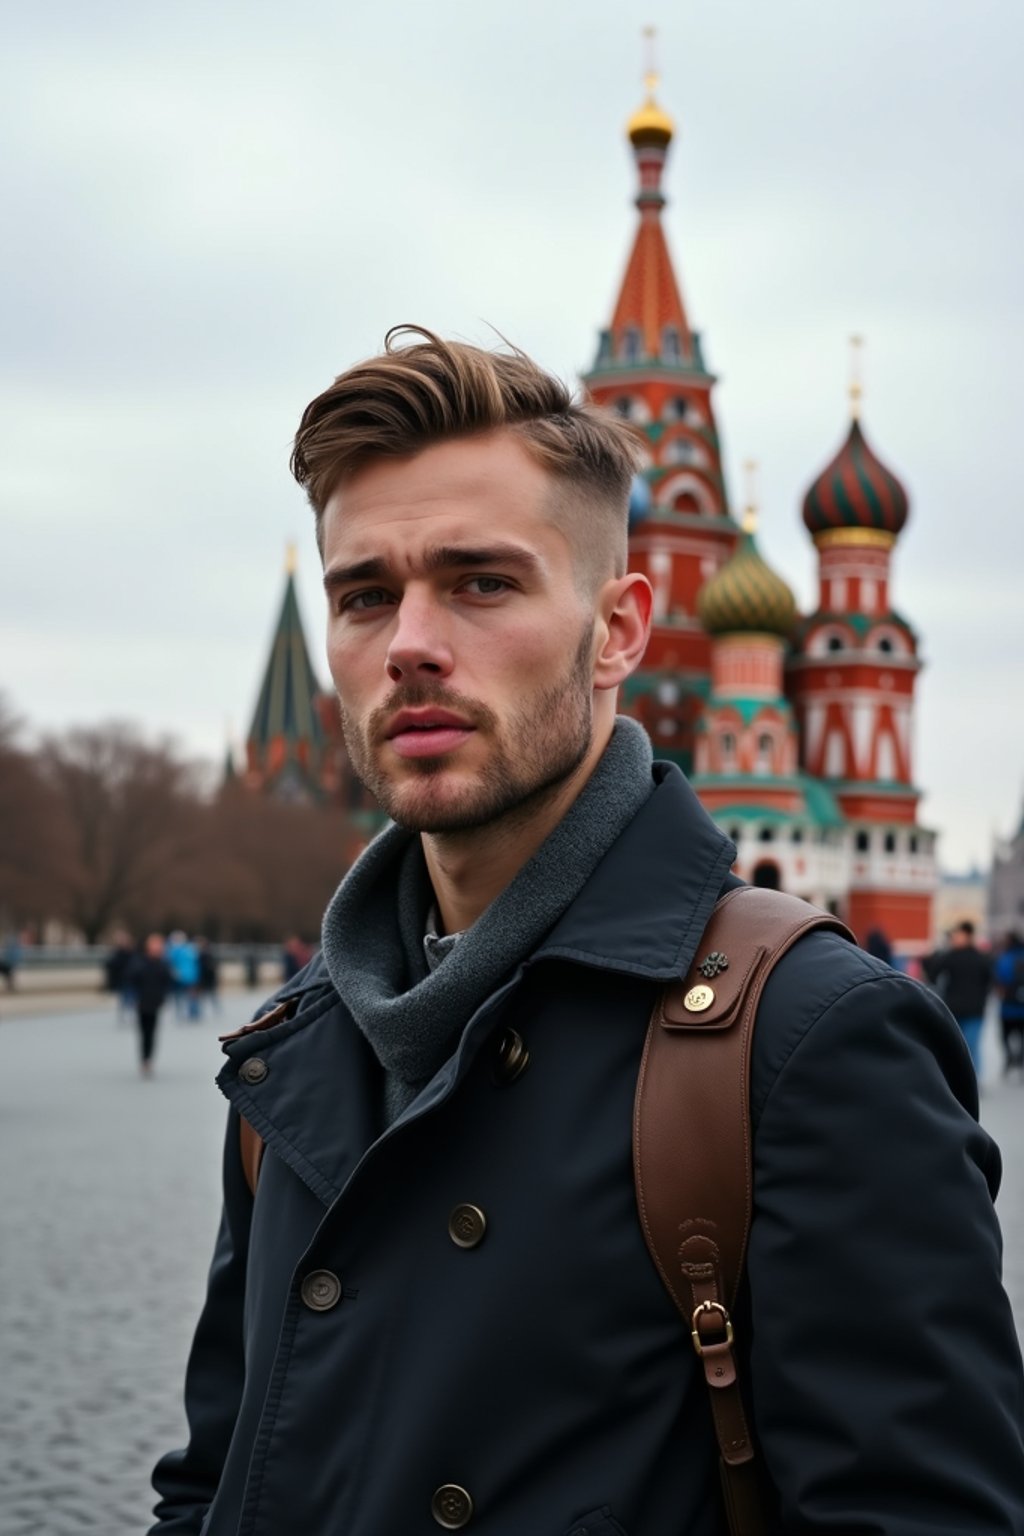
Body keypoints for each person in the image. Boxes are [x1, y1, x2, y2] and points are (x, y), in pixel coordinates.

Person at [151, 330, 1024, 1535]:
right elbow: (219, 1480)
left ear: (618, 630)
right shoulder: (298, 1049)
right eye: (364, 594)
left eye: (481, 582)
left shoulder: (810, 1041)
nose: (407, 641)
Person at [926, 920, 993, 1076]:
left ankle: (972, 1081)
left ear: (968, 936)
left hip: (973, 1010)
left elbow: (990, 981)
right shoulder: (950, 956)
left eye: (958, 935)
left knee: (971, 1046)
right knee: (954, 1046)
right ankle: (956, 1080)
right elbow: (932, 974)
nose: (955, 938)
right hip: (954, 1010)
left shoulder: (980, 958)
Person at [129, 933, 174, 1077]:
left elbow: (167, 981)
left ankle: (148, 1059)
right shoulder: (140, 961)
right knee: (144, 1032)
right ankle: (145, 1059)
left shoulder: (163, 963)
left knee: (152, 1032)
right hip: (142, 1001)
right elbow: (132, 978)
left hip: (155, 1002)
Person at [995, 930, 1024, 1079]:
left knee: (1005, 1036)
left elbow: (1000, 979)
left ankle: (1010, 1059)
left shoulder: (1005, 958)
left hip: (1008, 1007)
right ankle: (1020, 1061)